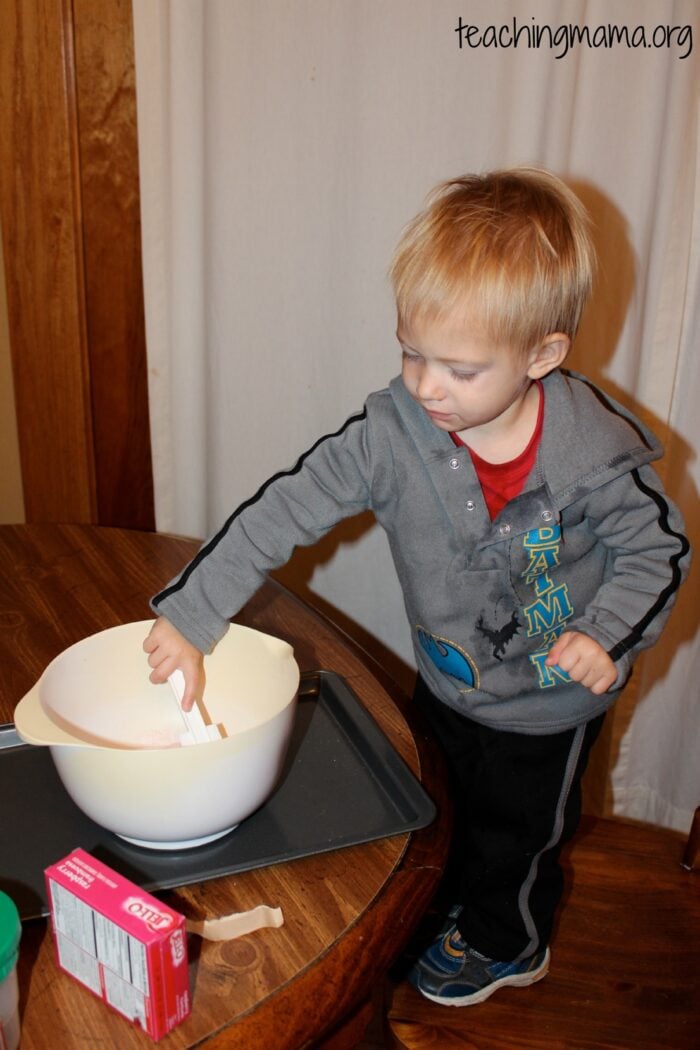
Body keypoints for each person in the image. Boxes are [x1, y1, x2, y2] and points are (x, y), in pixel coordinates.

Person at [143, 168, 690, 1006]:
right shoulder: (393, 433)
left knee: (520, 839)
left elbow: (659, 552)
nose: (427, 385)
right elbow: (280, 508)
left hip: (549, 707)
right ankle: (454, 910)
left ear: (542, 354)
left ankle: (511, 943)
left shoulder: (593, 454)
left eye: (461, 369)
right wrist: (192, 613)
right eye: (412, 351)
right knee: (441, 808)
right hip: (447, 679)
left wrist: (608, 632)